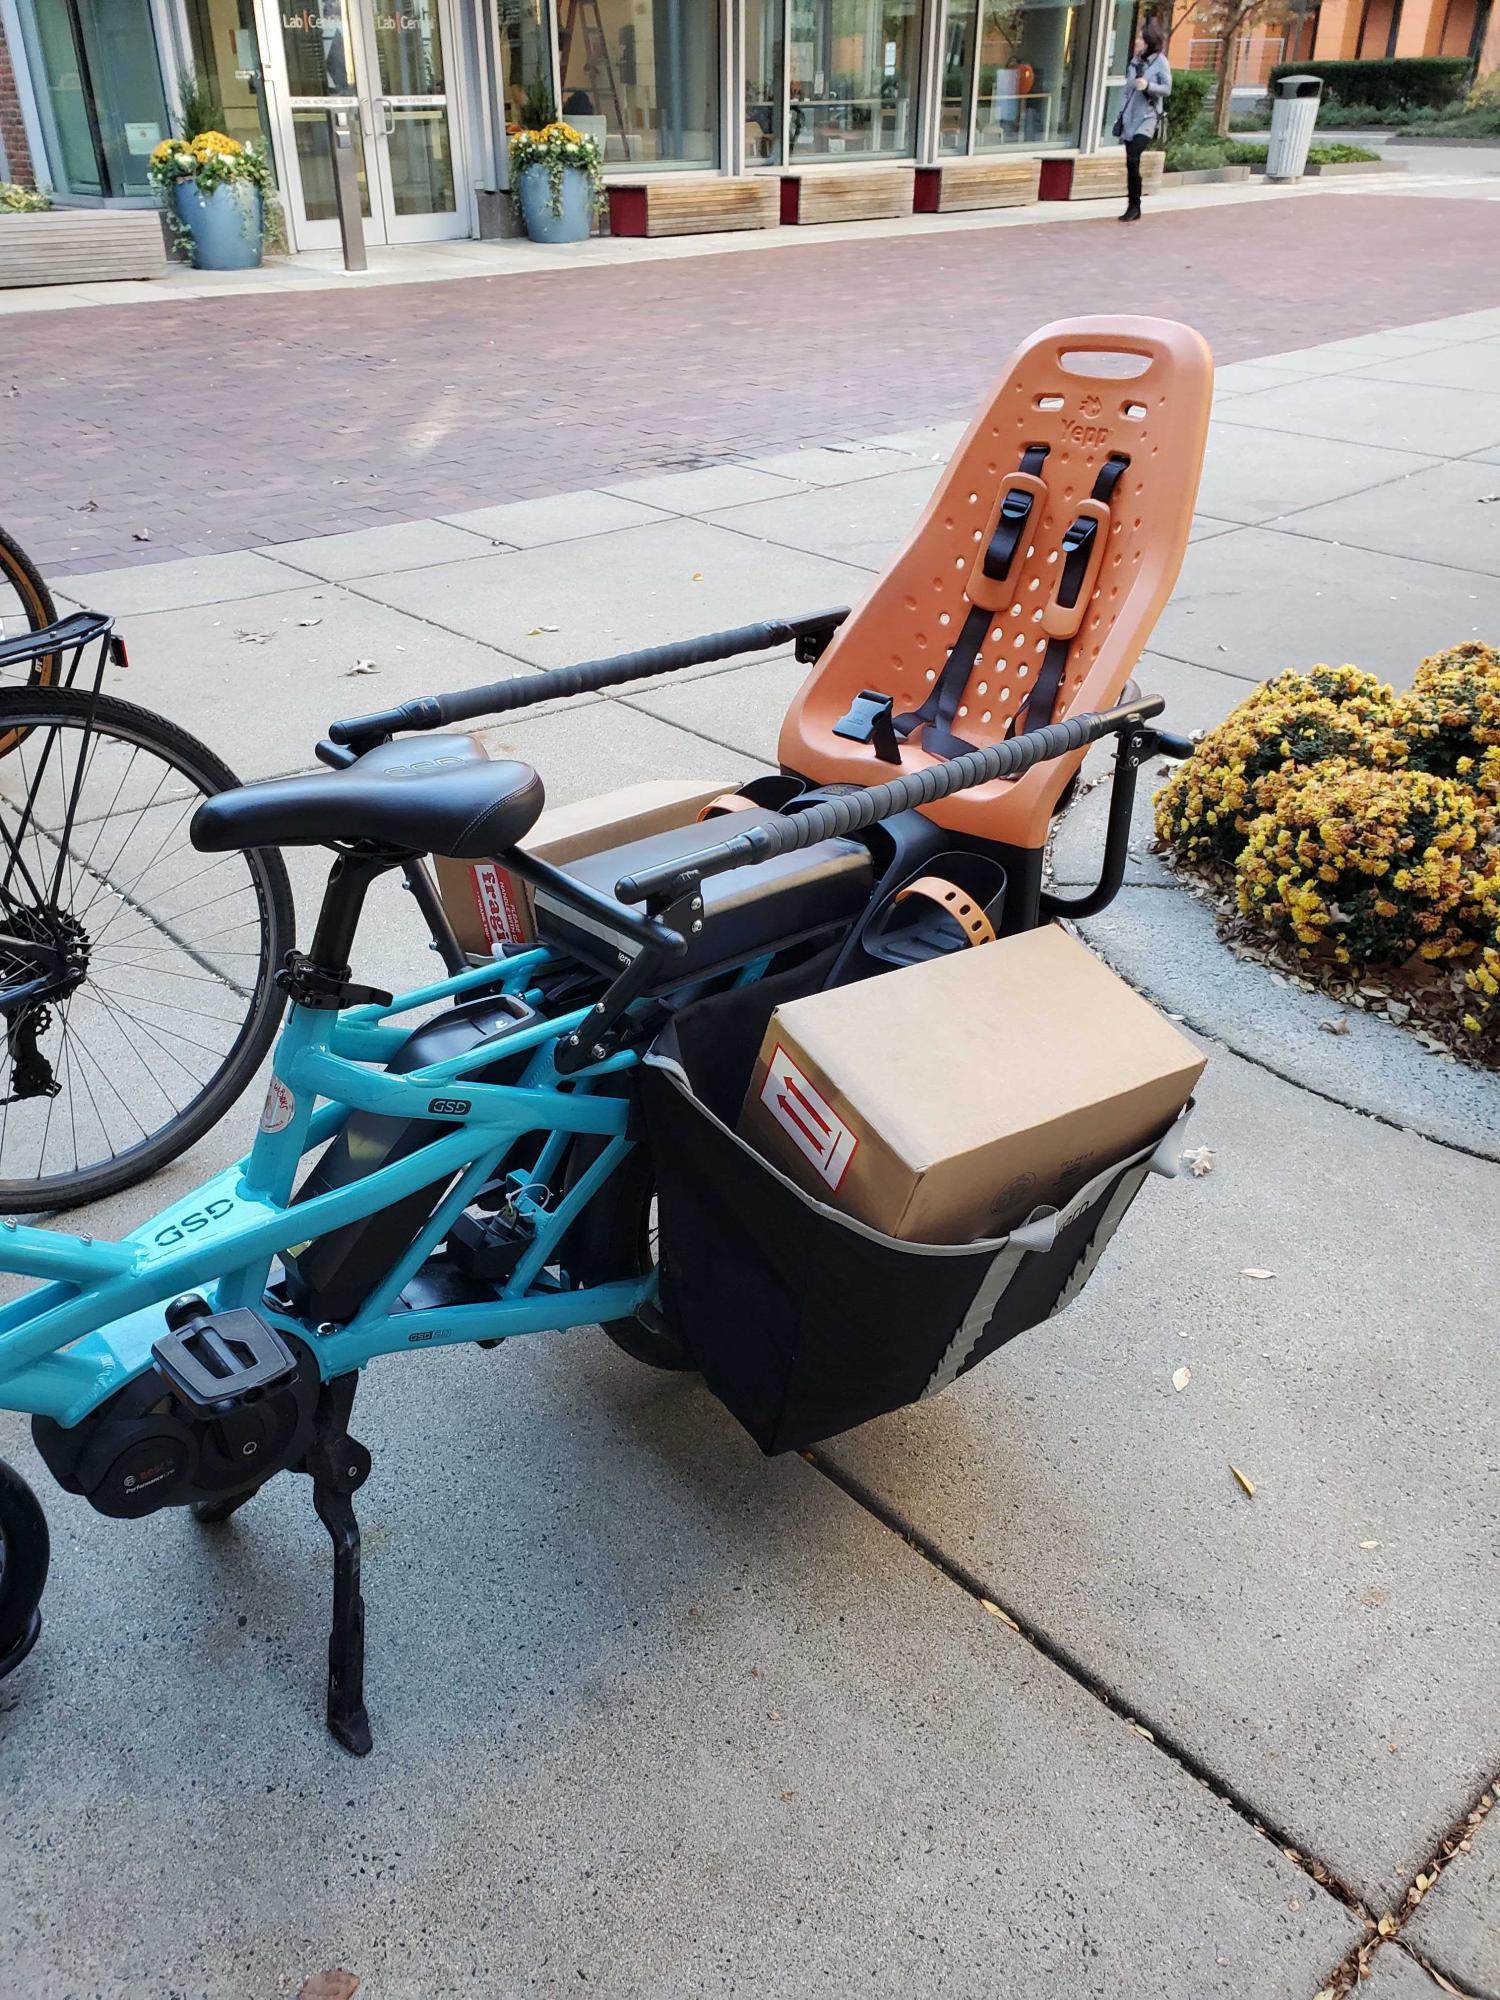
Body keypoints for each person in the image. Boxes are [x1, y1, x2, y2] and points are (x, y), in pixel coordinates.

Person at [1117, 20, 1171, 222]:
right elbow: (1128, 89)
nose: (1137, 41)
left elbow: (1167, 88)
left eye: (1141, 37)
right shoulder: (1135, 61)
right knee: (1131, 163)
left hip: (1147, 117)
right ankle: (1133, 205)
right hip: (1130, 116)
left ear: (1150, 40)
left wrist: (1148, 85)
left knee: (1133, 156)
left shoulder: (1161, 62)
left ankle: (1135, 204)